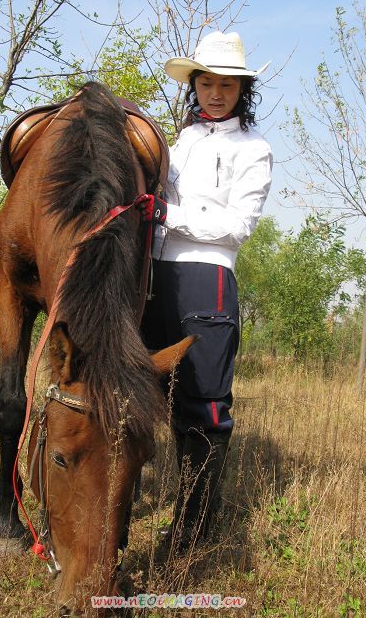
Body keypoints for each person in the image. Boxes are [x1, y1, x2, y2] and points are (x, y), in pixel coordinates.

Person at [137, 31, 273, 550]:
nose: (216, 93)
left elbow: (237, 225)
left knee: (205, 406)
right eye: (206, 82)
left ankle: (195, 529)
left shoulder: (254, 149)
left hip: (209, 280)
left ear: (242, 90)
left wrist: (168, 214)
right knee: (147, 392)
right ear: (194, 85)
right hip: (156, 277)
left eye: (227, 84)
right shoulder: (182, 141)